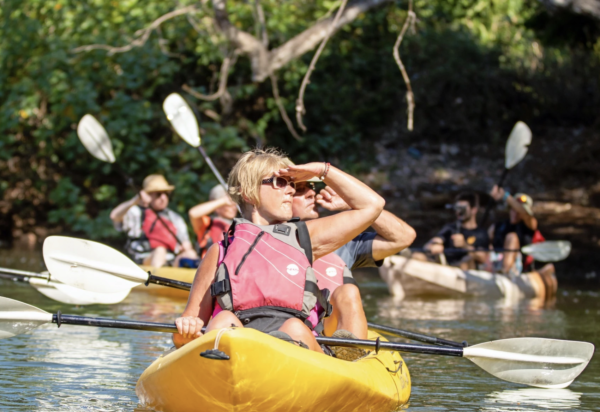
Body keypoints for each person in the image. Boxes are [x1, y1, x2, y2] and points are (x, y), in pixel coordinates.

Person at [172, 148, 386, 355]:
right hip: (239, 346)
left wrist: (322, 170)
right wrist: (187, 328)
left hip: (296, 342)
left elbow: (373, 205)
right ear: (249, 192)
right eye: (281, 182)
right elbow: (187, 331)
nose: (291, 190)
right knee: (221, 322)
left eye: (292, 184)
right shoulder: (220, 251)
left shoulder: (305, 236)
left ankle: (315, 353)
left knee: (294, 327)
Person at [291, 178, 415, 359]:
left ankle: (349, 354)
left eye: (311, 188)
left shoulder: (340, 242)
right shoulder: (260, 240)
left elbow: (402, 237)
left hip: (328, 339)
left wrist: (356, 207)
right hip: (290, 337)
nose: (312, 193)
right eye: (300, 190)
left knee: (348, 291)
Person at [109, 174, 198, 268]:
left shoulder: (175, 218)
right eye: (158, 194)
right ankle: (156, 280)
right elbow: (115, 216)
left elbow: (186, 243)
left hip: (170, 260)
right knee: (160, 250)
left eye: (166, 194)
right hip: (143, 259)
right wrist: (135, 200)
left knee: (190, 254)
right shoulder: (136, 212)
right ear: (147, 195)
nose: (163, 198)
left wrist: (186, 247)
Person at [415, 192, 489, 270]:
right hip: (445, 266)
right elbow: (431, 243)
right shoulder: (450, 228)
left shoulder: (481, 233)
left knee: (467, 260)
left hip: (465, 272)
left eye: (462, 209)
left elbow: (483, 258)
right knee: (418, 256)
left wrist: (465, 245)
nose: (459, 212)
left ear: (474, 210)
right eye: (457, 208)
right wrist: (434, 246)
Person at [488, 186, 544, 274]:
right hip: (494, 260)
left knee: (512, 237)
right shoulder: (498, 226)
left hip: (517, 266)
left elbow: (525, 214)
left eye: (518, 210)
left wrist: (505, 195)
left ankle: (504, 272)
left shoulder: (529, 225)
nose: (516, 213)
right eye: (513, 209)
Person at [189, 184, 238, 258]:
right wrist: (224, 200)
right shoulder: (208, 223)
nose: (233, 206)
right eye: (229, 203)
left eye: (235, 202)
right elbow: (193, 213)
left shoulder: (241, 225)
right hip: (210, 266)